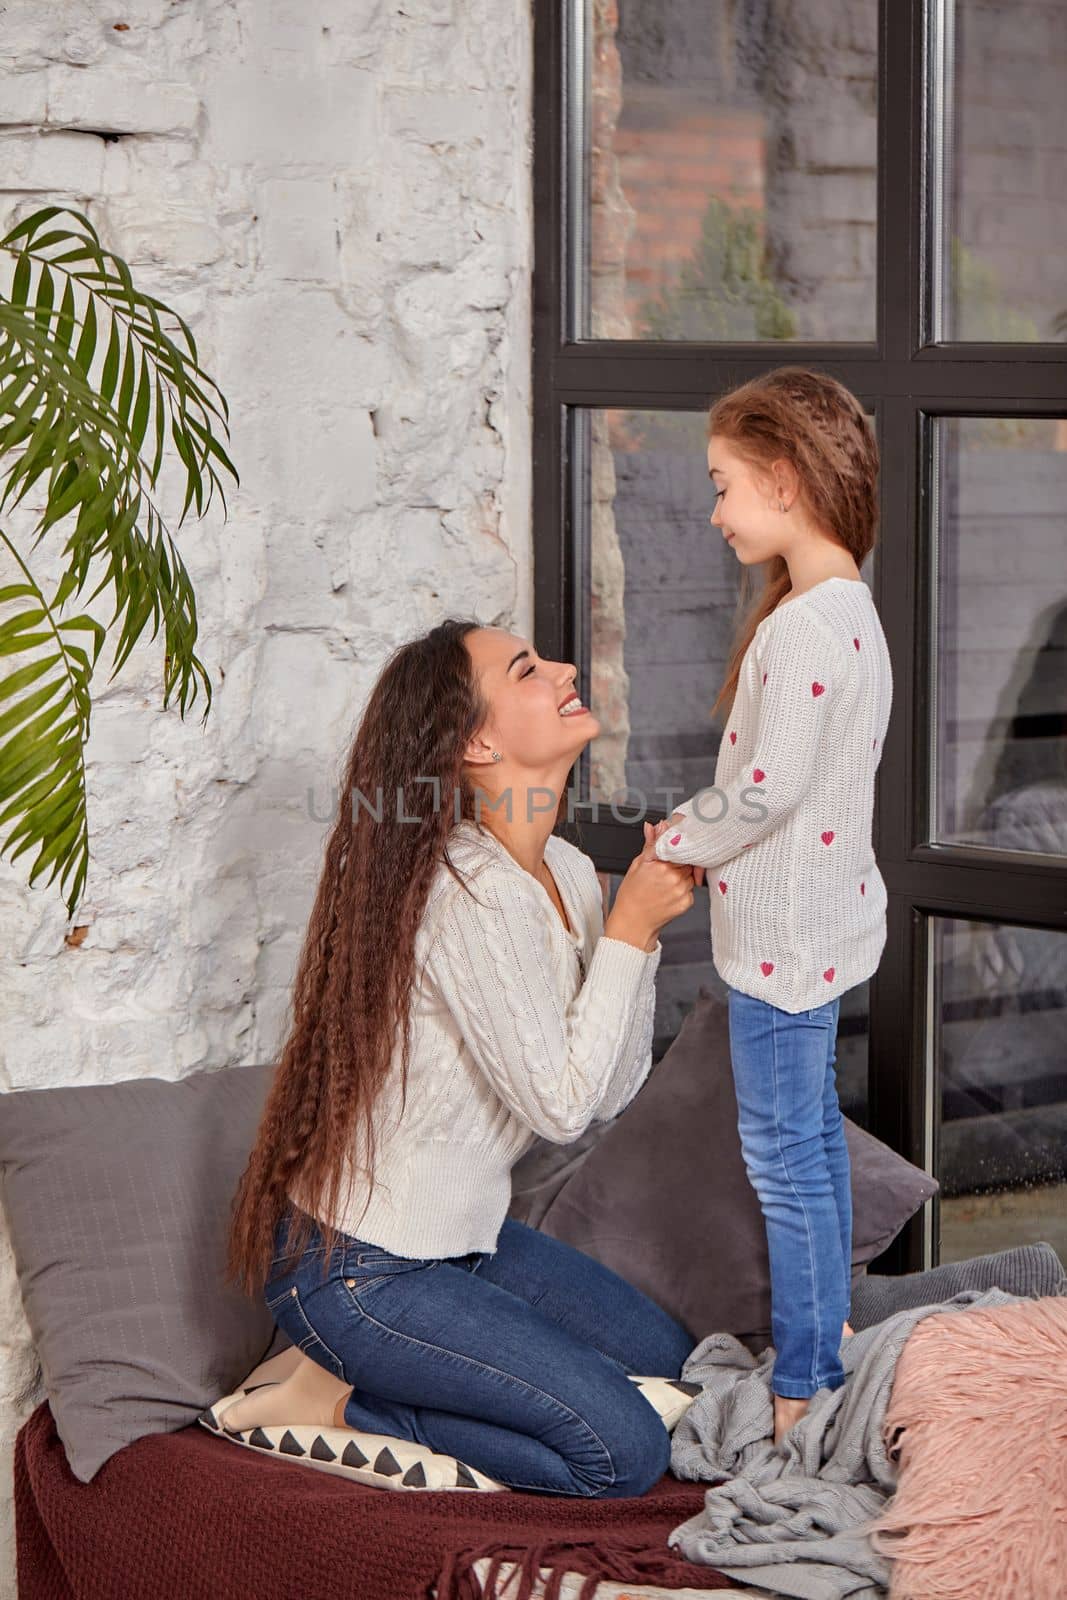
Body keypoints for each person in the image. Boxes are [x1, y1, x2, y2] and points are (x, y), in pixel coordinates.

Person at [225, 619, 700, 1497]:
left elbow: (603, 1094)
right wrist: (630, 929)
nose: (561, 668)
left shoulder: (560, 866)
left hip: (458, 1245)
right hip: (355, 1272)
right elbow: (561, 1109)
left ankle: (382, 1378)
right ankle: (340, 1402)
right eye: (525, 668)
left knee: (678, 1369)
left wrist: (639, 937)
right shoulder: (462, 890)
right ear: (477, 740)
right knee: (622, 1452)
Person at [653, 366, 892, 1445]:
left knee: (785, 1159)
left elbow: (765, 785)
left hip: (783, 947)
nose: (711, 514)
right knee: (815, 1146)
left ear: (784, 481)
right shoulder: (847, 610)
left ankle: (801, 1385)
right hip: (822, 930)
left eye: (722, 486)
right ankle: (827, 1337)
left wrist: (678, 839)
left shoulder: (802, 627)